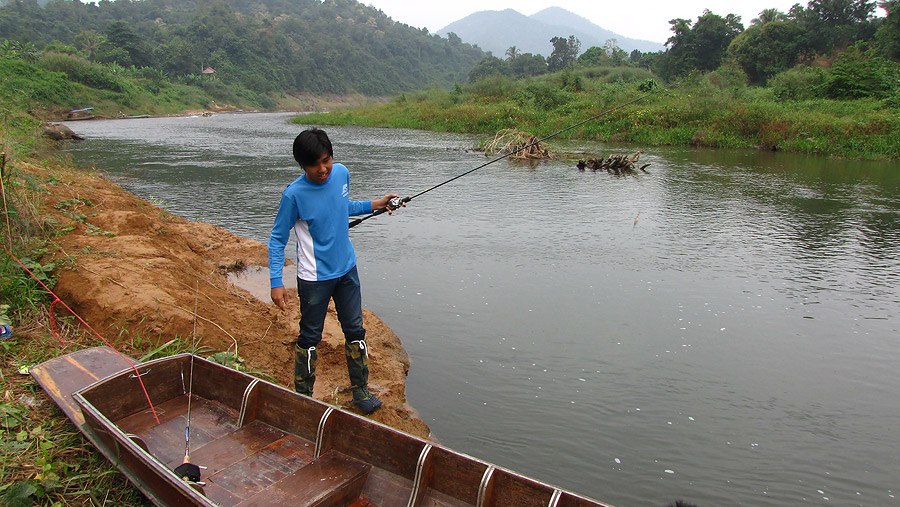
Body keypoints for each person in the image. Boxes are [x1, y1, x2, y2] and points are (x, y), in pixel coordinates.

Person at [268, 128, 397, 415]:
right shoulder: (294, 195)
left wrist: (375, 204)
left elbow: (342, 206)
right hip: (314, 278)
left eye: (326, 160)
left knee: (355, 329)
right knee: (310, 336)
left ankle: (361, 392)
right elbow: (277, 239)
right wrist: (276, 281)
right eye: (314, 164)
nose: (323, 169)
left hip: (347, 271)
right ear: (302, 165)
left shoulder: (341, 173)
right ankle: (304, 396)